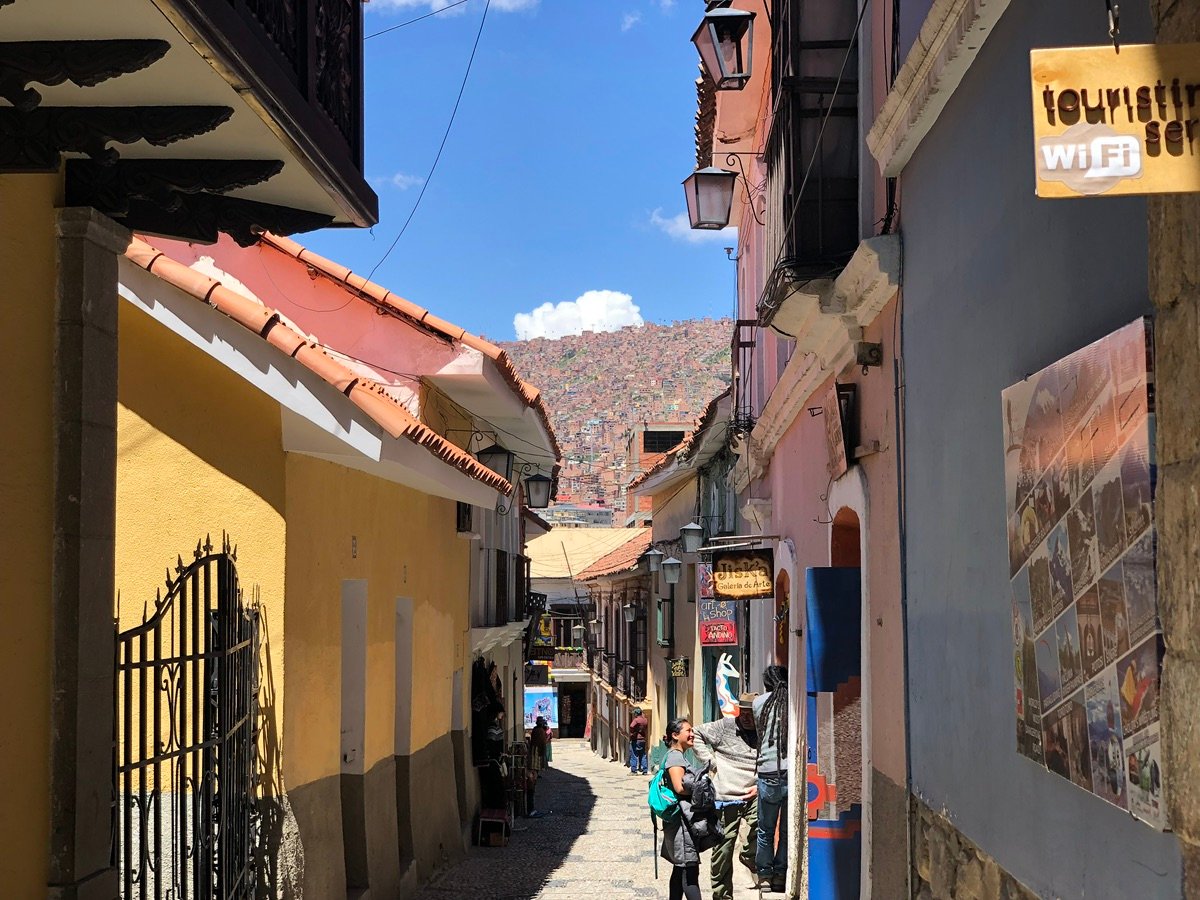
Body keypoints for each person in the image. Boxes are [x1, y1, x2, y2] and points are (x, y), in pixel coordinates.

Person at [693, 694, 760, 900]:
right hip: (725, 797)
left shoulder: (764, 730)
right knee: (723, 850)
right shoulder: (725, 726)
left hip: (754, 794)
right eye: (744, 712)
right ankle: (722, 896)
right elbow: (696, 734)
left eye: (751, 713)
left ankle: (748, 856)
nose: (747, 717)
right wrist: (710, 761)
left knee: (760, 826)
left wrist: (760, 783)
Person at [753, 666, 790, 892]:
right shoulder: (791, 703)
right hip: (788, 772)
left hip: (767, 772)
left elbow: (759, 733)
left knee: (765, 829)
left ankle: (764, 876)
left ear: (766, 683)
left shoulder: (759, 704)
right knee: (785, 830)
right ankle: (781, 875)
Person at [660, 718, 704, 900]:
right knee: (690, 872)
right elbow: (679, 787)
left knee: (679, 871)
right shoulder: (675, 757)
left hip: (678, 822)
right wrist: (702, 786)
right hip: (682, 826)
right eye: (688, 730)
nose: (692, 734)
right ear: (675, 735)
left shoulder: (675, 755)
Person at [525, 716, 551, 818]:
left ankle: (531, 809)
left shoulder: (536, 730)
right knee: (531, 783)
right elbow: (542, 747)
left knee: (532, 782)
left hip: (533, 757)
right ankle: (530, 810)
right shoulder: (540, 732)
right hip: (535, 759)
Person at [629, 707, 649, 775]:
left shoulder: (636, 720)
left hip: (636, 739)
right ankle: (645, 770)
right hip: (643, 739)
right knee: (643, 754)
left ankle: (634, 770)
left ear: (636, 714)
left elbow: (631, 726)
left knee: (634, 755)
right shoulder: (645, 720)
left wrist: (633, 732)